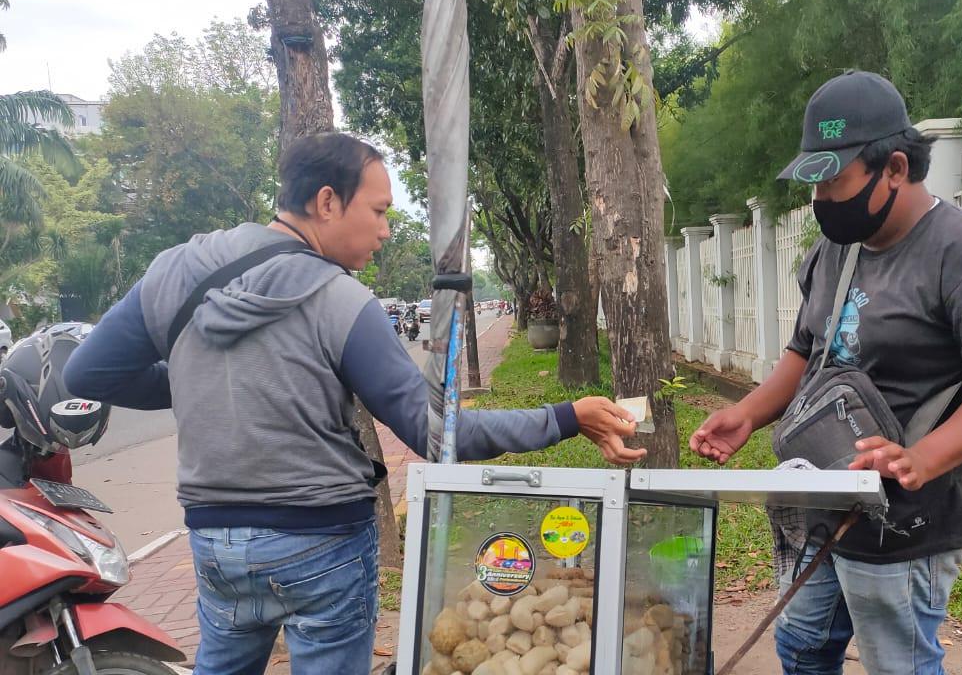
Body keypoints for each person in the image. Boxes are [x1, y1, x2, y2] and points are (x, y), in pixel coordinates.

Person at [63, 132, 645, 675]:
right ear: (325, 203)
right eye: (380, 210)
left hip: (217, 542)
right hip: (321, 544)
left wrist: (204, 377)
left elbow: (89, 371)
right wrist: (568, 416)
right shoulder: (343, 302)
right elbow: (438, 434)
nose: (386, 229)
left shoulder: (176, 268)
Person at [689, 71, 962, 675]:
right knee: (802, 644)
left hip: (909, 513)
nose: (822, 201)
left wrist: (922, 458)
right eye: (816, 186)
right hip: (827, 494)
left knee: (896, 664)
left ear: (896, 168)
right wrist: (747, 414)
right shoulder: (833, 251)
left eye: (834, 183)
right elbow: (808, 351)